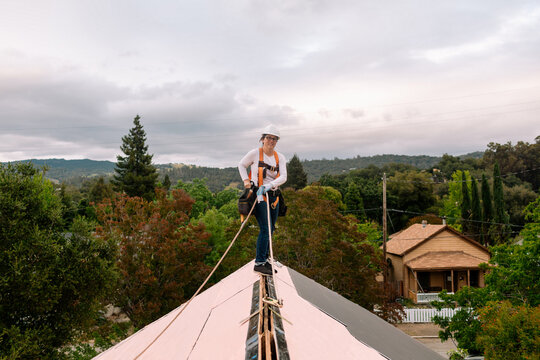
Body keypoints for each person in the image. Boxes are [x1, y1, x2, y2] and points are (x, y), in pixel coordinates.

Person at [238, 125, 287, 275]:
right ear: (263, 139)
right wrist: (246, 181)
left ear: (276, 141)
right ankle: (259, 263)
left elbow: (283, 176)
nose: (271, 141)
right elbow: (241, 164)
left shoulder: (280, 157)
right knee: (265, 228)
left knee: (271, 229)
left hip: (273, 195)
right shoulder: (255, 154)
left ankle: (265, 259)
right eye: (268, 138)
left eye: (274, 138)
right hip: (258, 196)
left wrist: (270, 185)